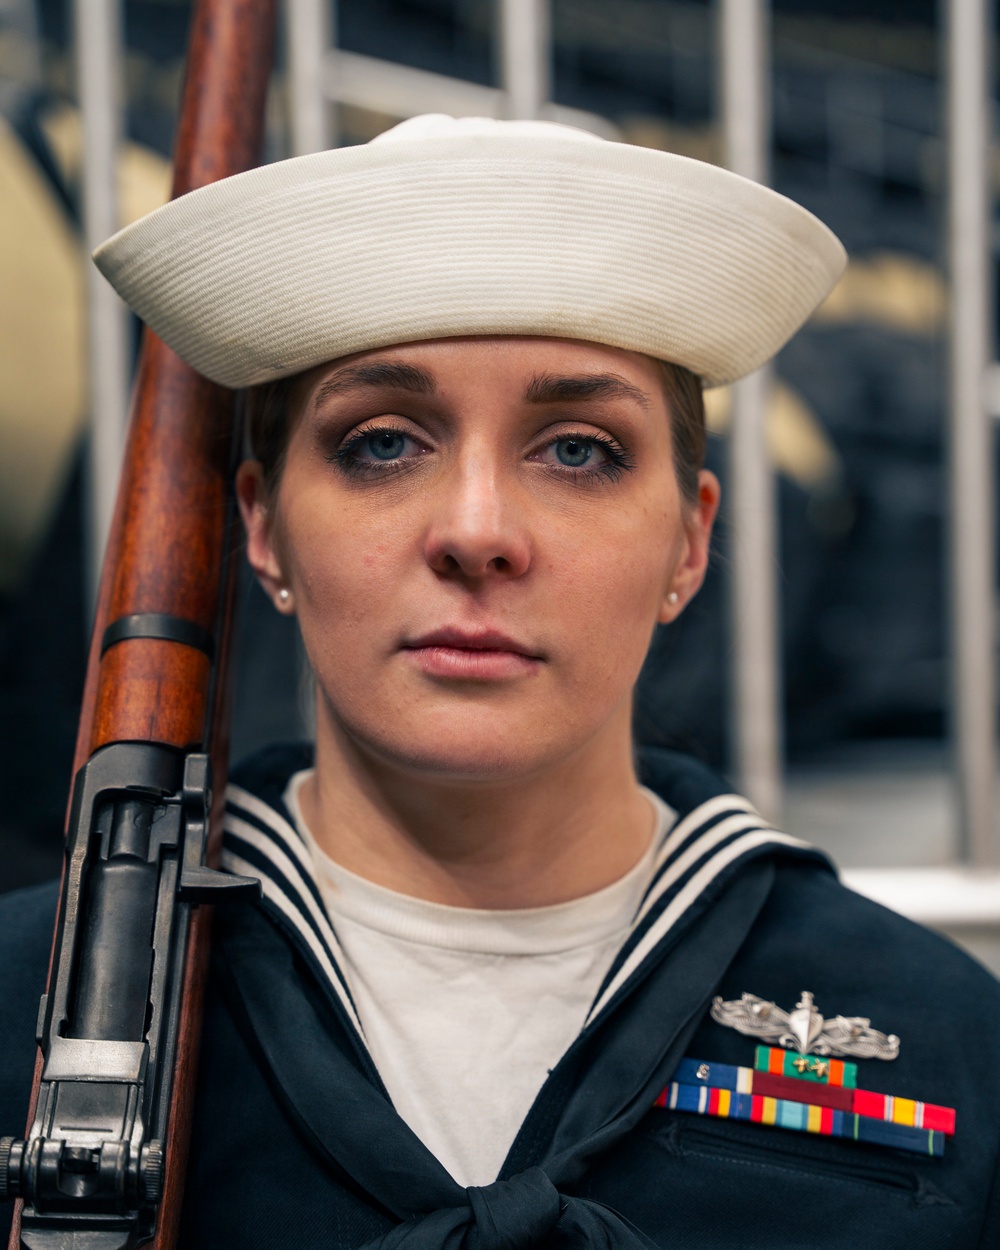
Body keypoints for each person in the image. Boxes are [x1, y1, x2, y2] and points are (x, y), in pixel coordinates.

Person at [2, 114, 1000, 1249]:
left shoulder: (946, 1042)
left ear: (687, 540)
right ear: (265, 527)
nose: (477, 531)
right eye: (382, 441)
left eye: (577, 448)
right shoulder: (20, 1005)